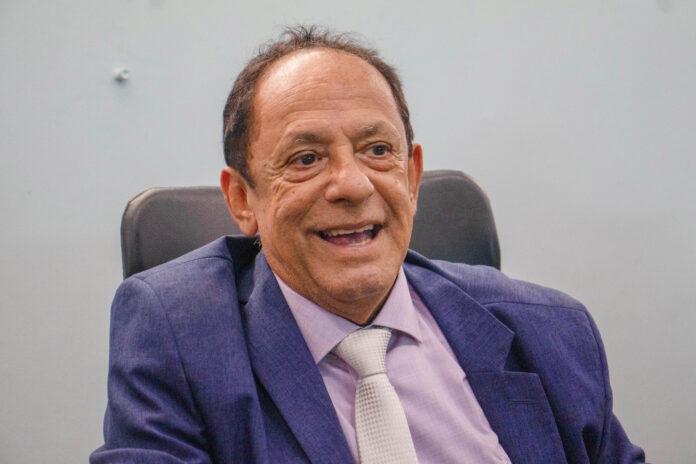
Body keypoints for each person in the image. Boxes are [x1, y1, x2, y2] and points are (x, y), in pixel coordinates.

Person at [91, 26, 646, 463]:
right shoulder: (177, 333)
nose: (353, 185)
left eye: (377, 150)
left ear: (412, 176)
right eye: (306, 158)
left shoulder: (551, 331)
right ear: (242, 199)